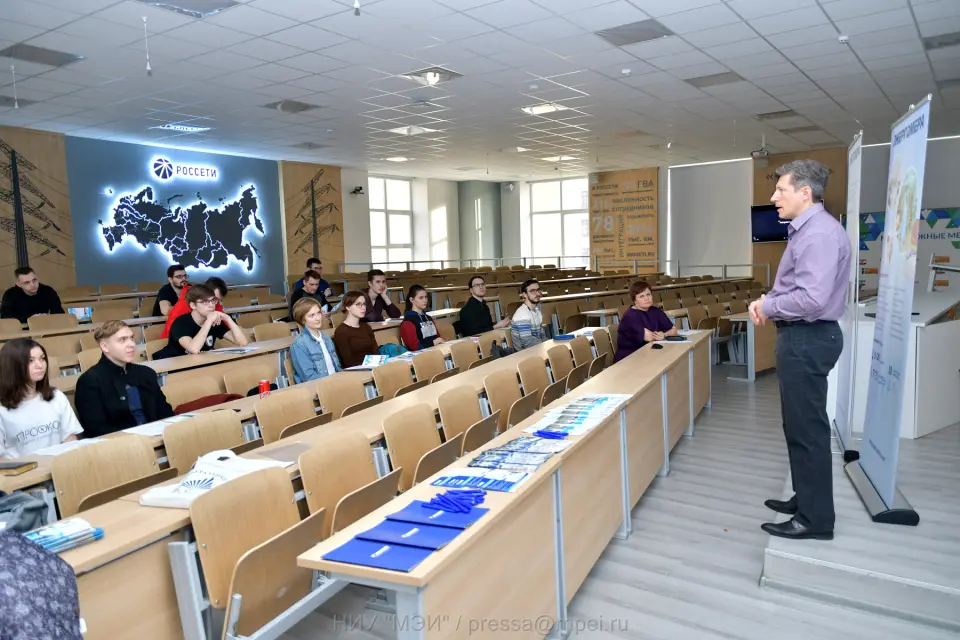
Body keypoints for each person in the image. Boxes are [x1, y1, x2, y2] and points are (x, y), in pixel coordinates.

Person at [750, 159, 850, 541]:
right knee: (798, 426)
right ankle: (805, 499)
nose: (774, 197)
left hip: (808, 339)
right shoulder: (808, 231)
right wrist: (768, 301)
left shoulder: (819, 235)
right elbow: (797, 287)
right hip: (803, 338)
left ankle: (816, 520)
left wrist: (769, 306)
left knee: (807, 431)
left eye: (781, 190)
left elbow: (810, 298)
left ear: (805, 193)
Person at [74, 320, 174, 436]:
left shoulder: (146, 373)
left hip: (157, 437)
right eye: (122, 340)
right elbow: (96, 428)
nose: (131, 344)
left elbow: (165, 412)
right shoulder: (90, 381)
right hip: (120, 446)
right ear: (105, 347)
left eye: (131, 338)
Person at [0, 339, 82, 459]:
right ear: (13, 366)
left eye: (42, 358)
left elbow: (70, 438)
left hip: (60, 468)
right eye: (30, 361)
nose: (40, 365)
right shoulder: (2, 409)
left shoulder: (56, 396)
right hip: (21, 474)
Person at [166, 284, 248, 356]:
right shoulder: (181, 322)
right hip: (177, 366)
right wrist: (208, 322)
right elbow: (194, 349)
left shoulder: (216, 321)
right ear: (193, 305)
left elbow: (242, 342)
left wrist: (228, 318)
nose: (211, 305)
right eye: (205, 302)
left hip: (202, 363)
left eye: (213, 300)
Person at [614, 280, 677, 362]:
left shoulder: (656, 311)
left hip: (650, 353)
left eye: (648, 294)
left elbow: (674, 330)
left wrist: (664, 334)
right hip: (630, 358)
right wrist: (660, 335)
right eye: (641, 296)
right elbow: (649, 337)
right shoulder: (630, 316)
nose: (646, 298)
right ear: (634, 300)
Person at [289, 298, 342, 384]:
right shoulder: (299, 344)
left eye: (318, 313)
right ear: (303, 319)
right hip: (319, 389)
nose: (318, 318)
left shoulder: (326, 337)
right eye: (312, 315)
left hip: (336, 383)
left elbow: (337, 366)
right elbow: (308, 378)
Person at [160, 277, 227, 339]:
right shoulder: (186, 303)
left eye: (218, 300)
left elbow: (226, 323)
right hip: (176, 341)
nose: (214, 303)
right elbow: (176, 333)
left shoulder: (214, 303)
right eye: (215, 299)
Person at [333, 291, 381, 368]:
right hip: (357, 372)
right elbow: (348, 362)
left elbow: (376, 352)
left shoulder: (366, 327)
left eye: (364, 304)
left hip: (373, 368)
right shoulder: (341, 331)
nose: (363, 308)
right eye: (358, 304)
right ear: (348, 307)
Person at [0, 267, 65, 324]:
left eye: (34, 280)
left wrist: (47, 317)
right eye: (27, 282)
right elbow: (6, 317)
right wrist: (30, 319)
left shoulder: (48, 291)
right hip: (20, 331)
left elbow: (59, 312)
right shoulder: (10, 294)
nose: (32, 285)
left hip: (45, 326)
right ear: (18, 284)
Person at [400, 285, 445, 351]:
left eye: (426, 297)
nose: (425, 300)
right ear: (412, 300)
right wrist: (433, 342)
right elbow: (414, 347)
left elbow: (437, 336)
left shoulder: (428, 318)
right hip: (421, 356)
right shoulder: (408, 322)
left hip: (437, 350)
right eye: (421, 298)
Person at [511, 279, 545, 350]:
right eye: (533, 291)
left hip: (537, 349)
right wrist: (546, 346)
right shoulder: (522, 314)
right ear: (524, 295)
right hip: (524, 354)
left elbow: (542, 335)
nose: (538, 294)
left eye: (538, 290)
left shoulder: (537, 311)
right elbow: (528, 344)